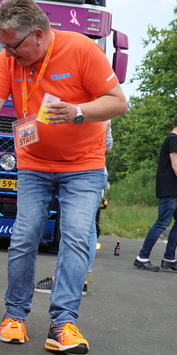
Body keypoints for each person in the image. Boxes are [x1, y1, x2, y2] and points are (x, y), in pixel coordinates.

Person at [0, 0, 127, 355]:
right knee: (23, 237)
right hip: (34, 163)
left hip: (83, 166)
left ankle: (63, 323)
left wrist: (79, 112)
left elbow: (118, 101)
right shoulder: (8, 61)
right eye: (1, 45)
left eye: (12, 45)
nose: (6, 53)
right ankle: (14, 315)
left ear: (38, 34)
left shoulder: (82, 50)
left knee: (78, 238)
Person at [35, 120, 113, 296]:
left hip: (84, 170)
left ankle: (71, 279)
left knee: (77, 227)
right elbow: (108, 146)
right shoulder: (99, 107)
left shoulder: (96, 108)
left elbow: (105, 135)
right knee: (87, 226)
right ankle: (79, 279)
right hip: (92, 169)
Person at [134, 111, 177, 272]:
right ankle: (142, 257)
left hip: (176, 190)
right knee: (162, 222)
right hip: (170, 189)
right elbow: (176, 165)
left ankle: (169, 258)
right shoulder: (173, 140)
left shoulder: (175, 141)